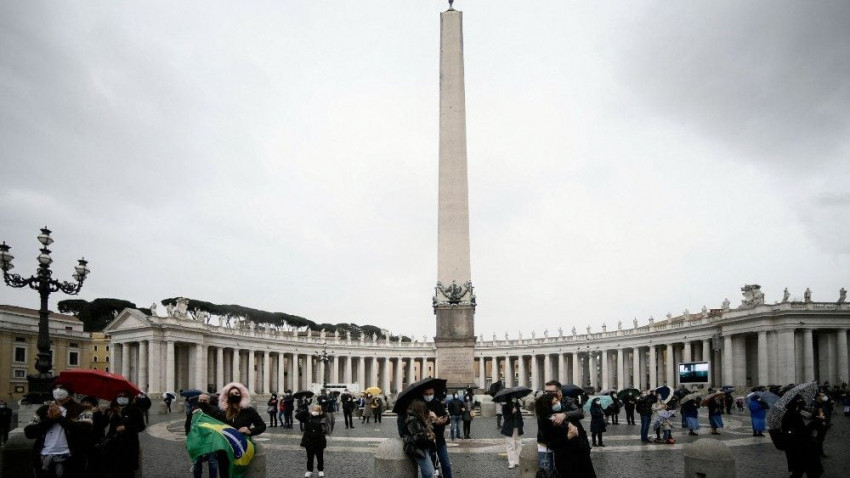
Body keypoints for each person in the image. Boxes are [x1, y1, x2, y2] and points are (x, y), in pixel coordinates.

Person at [24, 380, 90, 477]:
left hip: (71, 459)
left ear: (70, 391)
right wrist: (49, 419)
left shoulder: (83, 409)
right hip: (44, 458)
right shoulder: (43, 410)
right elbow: (29, 432)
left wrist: (60, 418)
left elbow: (84, 430)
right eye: (55, 388)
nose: (58, 390)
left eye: (62, 388)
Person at [214, 382, 266, 478]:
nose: (234, 395)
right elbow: (211, 424)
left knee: (239, 474)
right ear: (227, 396)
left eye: (237, 393)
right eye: (232, 394)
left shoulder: (249, 410)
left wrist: (250, 431)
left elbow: (262, 426)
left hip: (242, 447)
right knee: (224, 474)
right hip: (224, 449)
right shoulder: (221, 412)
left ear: (242, 395)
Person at [102, 390, 146, 478]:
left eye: (124, 396)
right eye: (119, 396)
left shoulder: (135, 410)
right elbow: (102, 424)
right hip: (113, 445)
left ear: (128, 398)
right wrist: (99, 414)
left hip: (129, 446)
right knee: (112, 471)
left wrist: (126, 428)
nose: (121, 398)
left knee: (127, 471)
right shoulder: (111, 411)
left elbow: (141, 426)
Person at [781, 394, 824, 478]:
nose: (803, 402)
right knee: (810, 472)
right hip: (802, 448)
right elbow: (803, 432)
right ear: (795, 403)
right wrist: (818, 420)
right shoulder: (791, 415)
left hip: (797, 449)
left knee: (798, 472)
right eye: (800, 400)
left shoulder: (793, 413)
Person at [422, 386, 453, 478]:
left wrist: (436, 418)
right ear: (423, 394)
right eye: (426, 394)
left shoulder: (437, 403)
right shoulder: (420, 405)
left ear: (434, 393)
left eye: (430, 394)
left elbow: (447, 419)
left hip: (439, 439)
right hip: (426, 441)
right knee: (429, 466)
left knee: (446, 463)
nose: (428, 396)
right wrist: (427, 418)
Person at [401, 400, 436, 478]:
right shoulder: (413, 420)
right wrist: (430, 439)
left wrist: (429, 422)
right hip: (417, 449)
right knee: (430, 473)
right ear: (420, 410)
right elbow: (419, 439)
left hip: (420, 448)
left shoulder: (416, 419)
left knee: (427, 473)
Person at [189, 393, 218, 478]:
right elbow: (188, 425)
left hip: (211, 440)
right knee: (197, 461)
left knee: (212, 462)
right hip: (198, 440)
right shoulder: (194, 410)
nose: (202, 402)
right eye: (200, 400)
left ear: (208, 401)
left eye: (204, 400)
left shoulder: (215, 410)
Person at [297, 404, 329, 478]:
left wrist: (321, 413)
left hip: (319, 440)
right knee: (309, 457)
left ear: (319, 411)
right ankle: (309, 470)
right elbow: (297, 416)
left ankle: (320, 470)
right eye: (314, 410)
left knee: (320, 457)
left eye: (316, 410)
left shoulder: (322, 417)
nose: (315, 411)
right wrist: (305, 410)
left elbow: (326, 421)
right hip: (309, 440)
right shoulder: (307, 417)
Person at [79, 396, 107, 478]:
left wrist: (96, 414)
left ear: (94, 405)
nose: (84, 405)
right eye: (83, 403)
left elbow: (101, 426)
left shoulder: (99, 415)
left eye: (87, 403)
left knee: (93, 467)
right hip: (81, 445)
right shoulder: (80, 414)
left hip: (95, 445)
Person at [501, 397, 524, 469]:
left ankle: (517, 461)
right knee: (510, 445)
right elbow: (506, 418)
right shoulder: (505, 406)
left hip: (517, 427)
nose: (514, 399)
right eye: (513, 397)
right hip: (508, 428)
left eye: (515, 397)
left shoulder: (517, 406)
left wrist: (521, 424)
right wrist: (512, 412)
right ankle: (511, 463)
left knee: (518, 444)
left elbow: (520, 416)